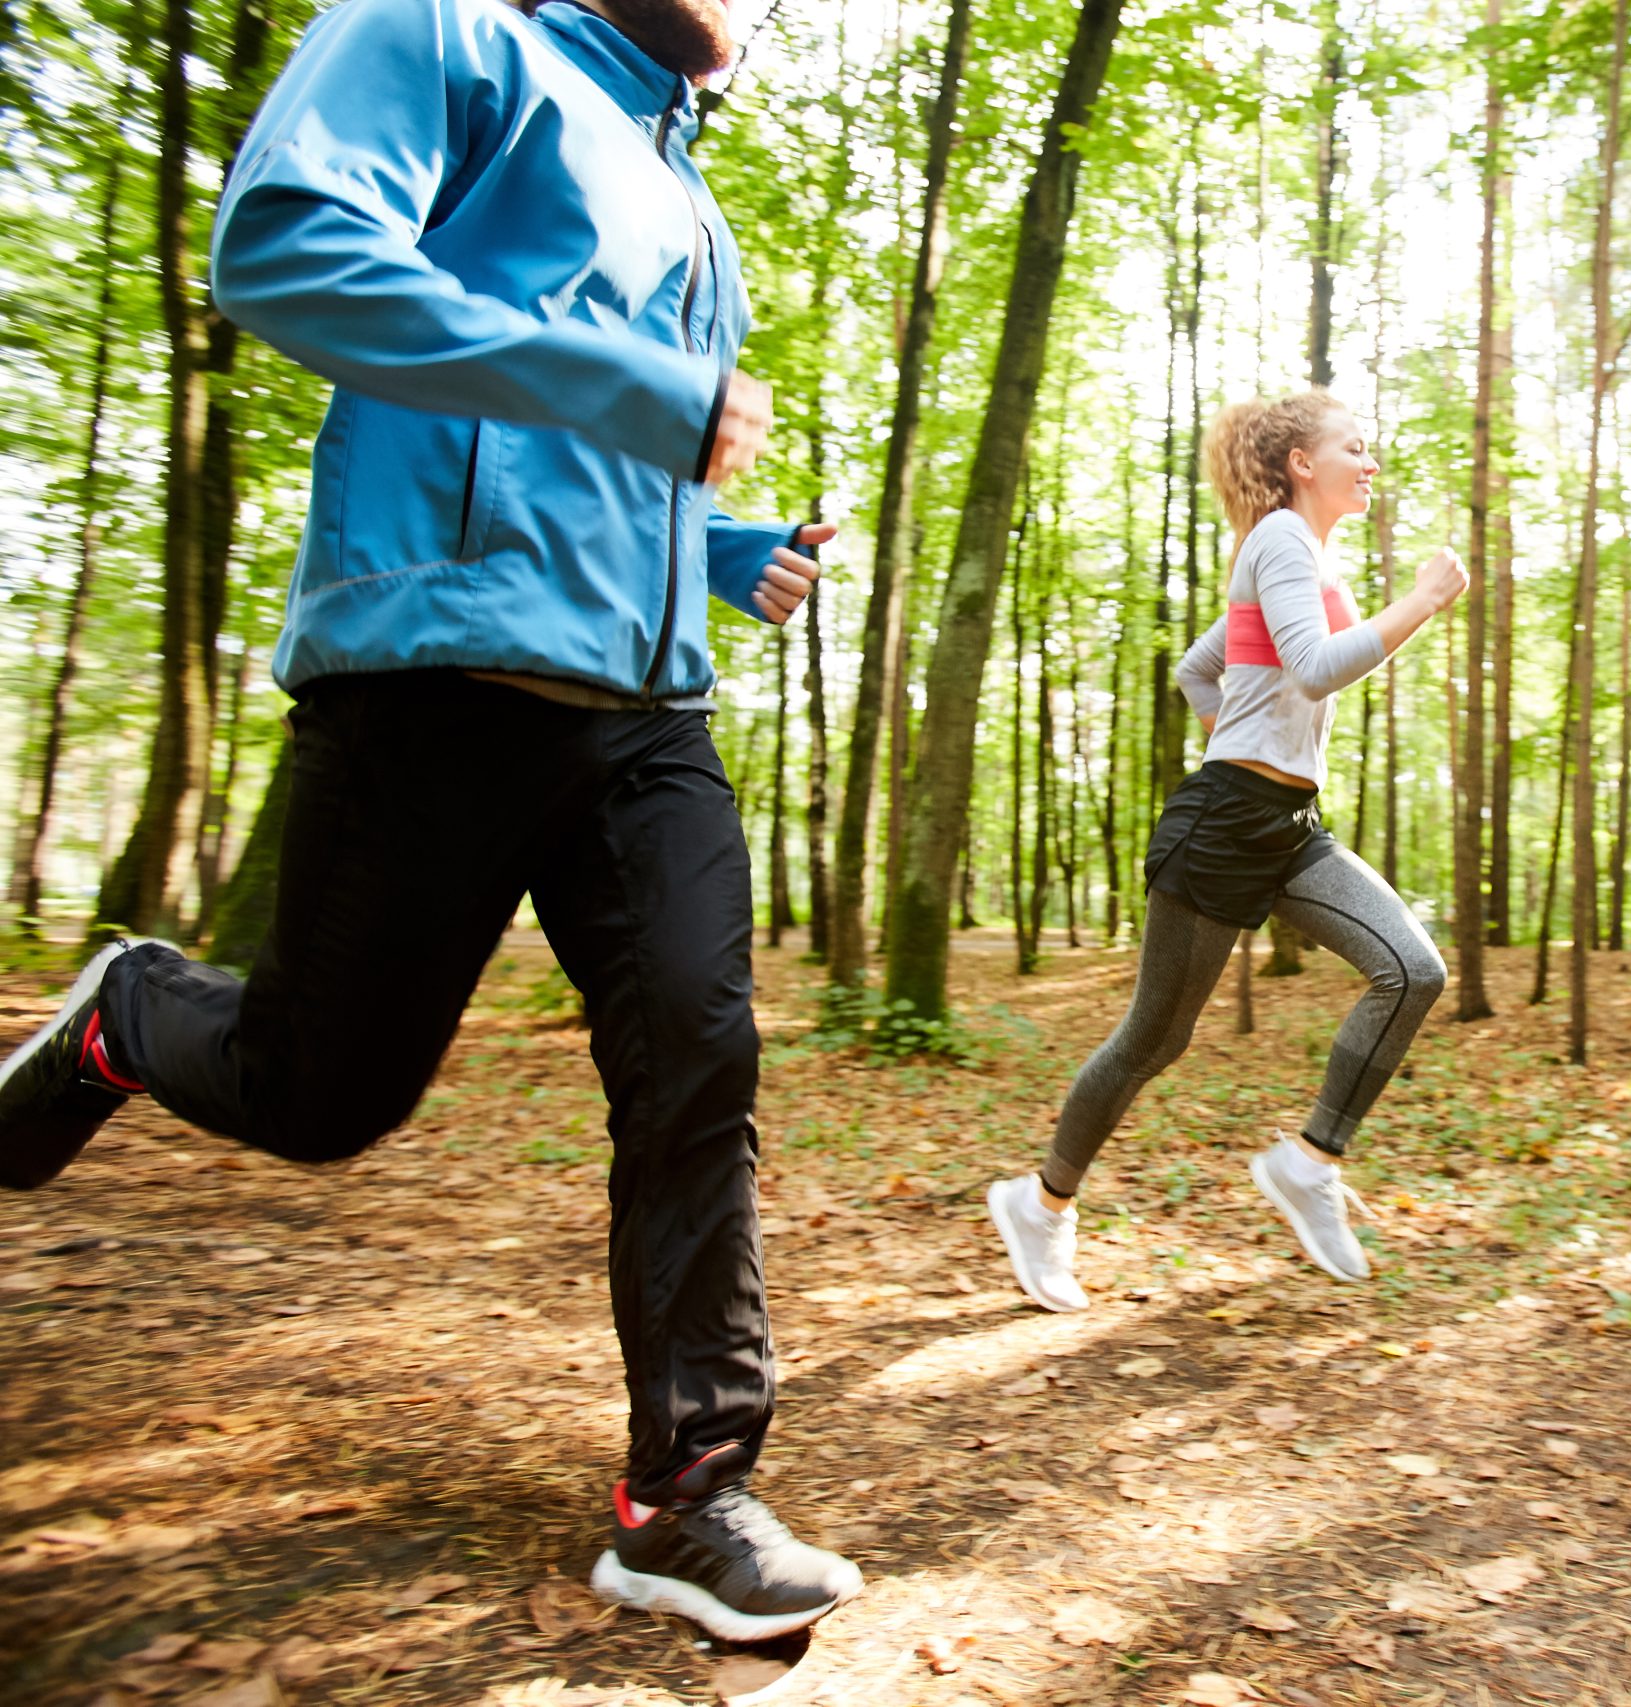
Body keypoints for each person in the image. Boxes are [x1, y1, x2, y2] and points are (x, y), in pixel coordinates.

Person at [0, 0, 863, 1642]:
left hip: (644, 710)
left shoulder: (682, 180)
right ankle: (126, 1013)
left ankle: (686, 1501)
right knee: (320, 1093)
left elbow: (594, 460)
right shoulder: (447, 35)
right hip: (429, 672)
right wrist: (624, 384)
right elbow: (281, 250)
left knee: (699, 1054)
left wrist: (725, 541)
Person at [987, 391, 1467, 1312]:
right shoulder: (1279, 539)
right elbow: (1317, 667)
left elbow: (1199, 668)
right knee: (1154, 1041)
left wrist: (1235, 729)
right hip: (1224, 825)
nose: (1370, 463)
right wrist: (1422, 599)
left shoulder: (1307, 562)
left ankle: (1310, 1162)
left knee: (1411, 969)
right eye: (1353, 448)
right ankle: (1040, 1204)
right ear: (1300, 463)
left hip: (1288, 826)